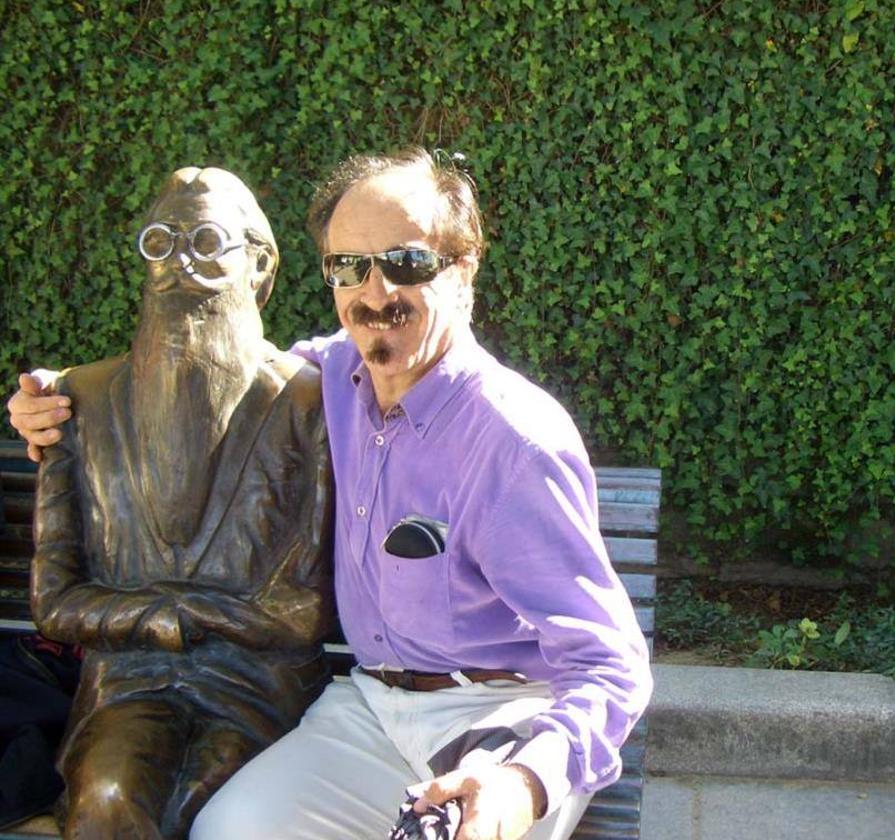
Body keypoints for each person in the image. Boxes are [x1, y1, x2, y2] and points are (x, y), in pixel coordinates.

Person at [9, 147, 652, 840]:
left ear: (463, 270)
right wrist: (56, 394)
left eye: (406, 263)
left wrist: (524, 783)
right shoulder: (333, 378)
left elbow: (608, 663)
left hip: (499, 715)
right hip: (371, 707)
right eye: (349, 266)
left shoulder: (513, 442)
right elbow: (221, 372)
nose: (375, 293)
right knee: (228, 830)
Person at [27, 167, 334, 839]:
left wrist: (171, 610)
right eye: (160, 243)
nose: (178, 265)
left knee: (208, 801)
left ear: (259, 264)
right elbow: (53, 602)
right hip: (127, 685)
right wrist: (178, 617)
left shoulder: (312, 402)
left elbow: (303, 611)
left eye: (204, 242)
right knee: (109, 793)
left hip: (257, 686)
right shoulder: (75, 400)